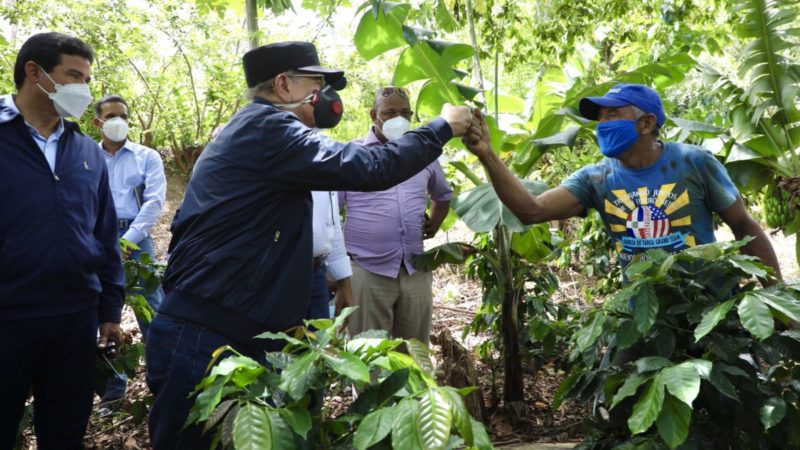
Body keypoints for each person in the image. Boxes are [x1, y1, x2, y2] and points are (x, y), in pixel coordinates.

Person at [145, 41, 473, 449]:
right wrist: (442, 127)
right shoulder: (269, 130)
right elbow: (372, 166)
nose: (327, 98)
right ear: (284, 85)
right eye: (317, 85)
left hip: (230, 325)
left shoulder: (263, 132)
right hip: (204, 333)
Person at [461, 83, 782, 280]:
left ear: (646, 123)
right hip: (641, 311)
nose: (601, 124)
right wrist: (487, 155)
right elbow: (531, 210)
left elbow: (744, 226)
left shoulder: (693, 163)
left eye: (612, 115)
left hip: (706, 308)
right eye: (599, 117)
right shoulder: (596, 178)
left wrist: (778, 302)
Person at [0, 32, 124, 449]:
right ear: (34, 73)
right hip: (7, 316)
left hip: (74, 318)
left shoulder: (86, 152)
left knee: (66, 431)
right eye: (73, 76)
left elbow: (105, 233)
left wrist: (110, 306)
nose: (83, 90)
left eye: (86, 79)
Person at [342, 86, 452, 345]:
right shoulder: (352, 154)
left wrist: (433, 225)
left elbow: (442, 195)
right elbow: (330, 212)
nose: (397, 119)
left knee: (414, 353)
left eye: (404, 113)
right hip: (366, 269)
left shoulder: (423, 154)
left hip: (414, 268)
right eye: (389, 113)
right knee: (368, 355)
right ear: (374, 115)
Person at [93, 94, 167, 415]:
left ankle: (163, 385)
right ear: (98, 122)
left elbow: (153, 203)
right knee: (103, 318)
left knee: (154, 314)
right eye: (111, 116)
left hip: (137, 243)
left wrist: (128, 242)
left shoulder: (146, 157)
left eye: (123, 115)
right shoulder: (86, 158)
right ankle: (112, 395)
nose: (118, 120)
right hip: (95, 240)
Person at [310, 190, 352, 320]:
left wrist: (343, 280)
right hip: (287, 270)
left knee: (319, 337)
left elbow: (332, 221)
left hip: (317, 271)